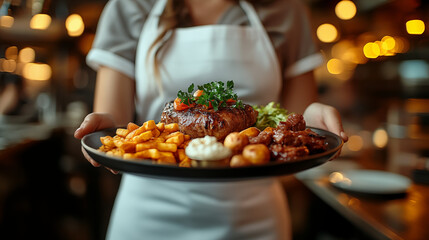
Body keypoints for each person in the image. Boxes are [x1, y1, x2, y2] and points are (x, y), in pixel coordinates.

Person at [74, 0, 349, 239]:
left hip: (254, 218)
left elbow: (291, 118)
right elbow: (115, 126)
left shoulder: (286, 10)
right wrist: (106, 125)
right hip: (149, 213)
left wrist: (308, 123)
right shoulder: (128, 7)